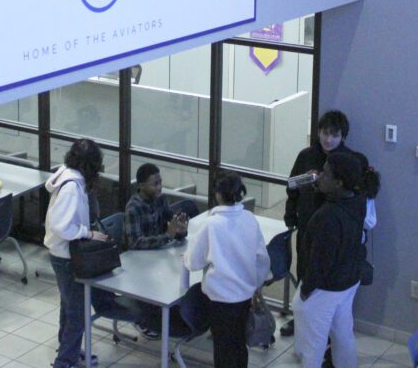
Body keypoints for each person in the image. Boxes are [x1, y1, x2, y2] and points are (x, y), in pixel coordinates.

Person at [45, 138, 139, 368]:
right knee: (77, 313)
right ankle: (65, 361)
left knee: (69, 308)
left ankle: (68, 350)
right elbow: (61, 225)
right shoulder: (71, 188)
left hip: (62, 254)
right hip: (67, 257)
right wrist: (86, 233)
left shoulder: (66, 175)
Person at [282, 109, 372, 338]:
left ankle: (324, 325)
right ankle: (301, 317)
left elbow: (359, 195)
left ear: (343, 136)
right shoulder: (306, 156)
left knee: (329, 276)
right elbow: (291, 187)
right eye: (324, 132)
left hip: (336, 230)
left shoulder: (351, 161)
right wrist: (291, 215)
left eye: (334, 134)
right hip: (307, 224)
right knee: (305, 269)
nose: (328, 139)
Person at [293, 152, 379, 368]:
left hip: (325, 288)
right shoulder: (357, 200)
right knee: (343, 334)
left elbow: (320, 262)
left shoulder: (328, 218)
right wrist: (318, 191)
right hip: (348, 280)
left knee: (313, 345)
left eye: (325, 173)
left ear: (339, 182)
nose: (319, 175)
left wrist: (305, 290)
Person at [184, 170, 270, 368]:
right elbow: (262, 259)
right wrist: (255, 284)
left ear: (218, 194)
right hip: (244, 296)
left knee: (223, 349)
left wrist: (187, 259)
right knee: (239, 344)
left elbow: (194, 262)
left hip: (221, 299)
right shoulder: (249, 218)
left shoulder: (211, 224)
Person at [123, 162, 189, 339]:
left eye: (160, 182)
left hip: (157, 257)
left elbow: (171, 222)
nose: (159, 187)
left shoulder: (160, 199)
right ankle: (144, 319)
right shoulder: (134, 208)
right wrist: (168, 236)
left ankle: (171, 314)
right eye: (155, 184)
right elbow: (135, 243)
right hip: (138, 264)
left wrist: (181, 230)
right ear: (141, 185)